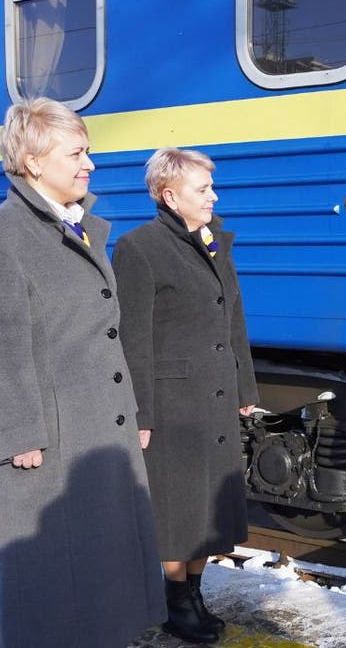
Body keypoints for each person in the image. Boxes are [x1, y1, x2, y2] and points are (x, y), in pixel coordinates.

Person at [0, 98, 167, 647]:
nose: (89, 164)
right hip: (51, 436)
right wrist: (20, 432)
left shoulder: (78, 227)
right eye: (77, 152)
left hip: (99, 426)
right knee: (50, 582)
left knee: (102, 571)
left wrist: (133, 412)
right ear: (32, 161)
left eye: (87, 151)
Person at [113, 148, 259, 643]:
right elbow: (131, 337)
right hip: (173, 403)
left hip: (215, 396)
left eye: (212, 188)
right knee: (180, 510)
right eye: (204, 189)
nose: (214, 196)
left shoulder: (216, 240)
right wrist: (141, 413)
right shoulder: (139, 248)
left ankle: (193, 593)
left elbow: (233, 317)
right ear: (171, 196)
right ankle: (178, 601)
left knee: (209, 509)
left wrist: (244, 385)